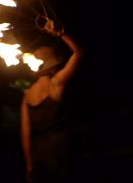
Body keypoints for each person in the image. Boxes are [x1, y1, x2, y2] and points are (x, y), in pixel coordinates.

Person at [20, 18, 84, 183]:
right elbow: (79, 53)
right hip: (62, 149)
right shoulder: (56, 82)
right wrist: (60, 33)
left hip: (39, 153)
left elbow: (26, 134)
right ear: (53, 66)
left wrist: (29, 165)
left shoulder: (27, 95)